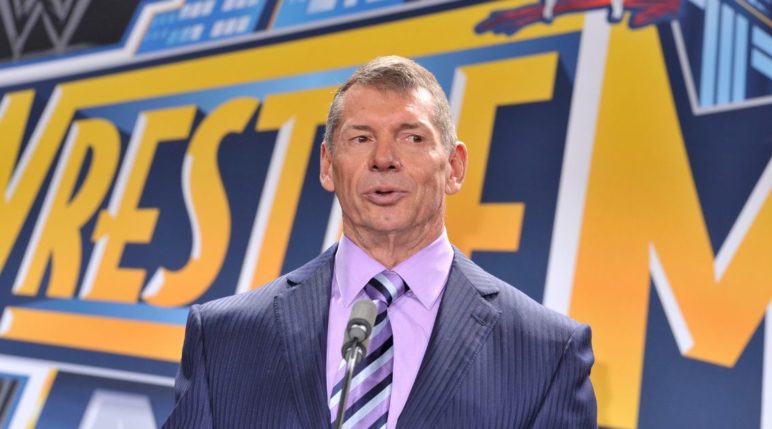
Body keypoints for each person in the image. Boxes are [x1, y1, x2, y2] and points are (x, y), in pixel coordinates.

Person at [162, 56, 597, 428]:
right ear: (328, 167)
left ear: (454, 167)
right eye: (361, 138)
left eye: (412, 137)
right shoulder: (223, 338)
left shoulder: (547, 355)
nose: (384, 159)